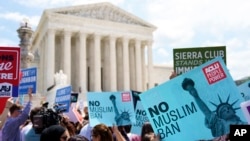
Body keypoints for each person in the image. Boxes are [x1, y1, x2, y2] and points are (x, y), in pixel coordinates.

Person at [182, 78, 246, 137]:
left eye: (229, 108)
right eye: (223, 110)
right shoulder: (220, 125)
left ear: (234, 111)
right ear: (221, 116)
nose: (227, 110)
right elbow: (205, 110)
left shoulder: (244, 123)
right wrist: (196, 97)